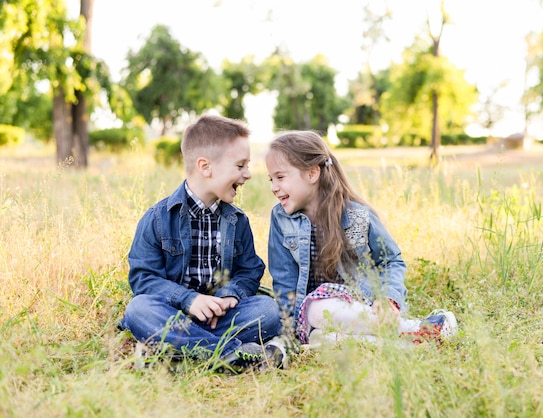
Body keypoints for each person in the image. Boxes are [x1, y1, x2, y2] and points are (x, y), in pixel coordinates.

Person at [119, 114, 284, 372]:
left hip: (221, 318)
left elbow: (250, 270)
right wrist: (189, 300)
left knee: (269, 310)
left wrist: (230, 295)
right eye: (240, 166)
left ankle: (179, 354)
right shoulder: (158, 218)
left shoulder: (236, 221)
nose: (248, 174)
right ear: (205, 167)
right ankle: (233, 355)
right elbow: (143, 279)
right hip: (174, 315)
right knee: (138, 310)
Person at [265, 130, 458, 347]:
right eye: (271, 179)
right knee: (320, 339)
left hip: (358, 305)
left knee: (319, 309)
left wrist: (388, 299)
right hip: (312, 320)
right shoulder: (280, 219)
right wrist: (288, 332)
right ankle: (413, 344)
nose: (274, 187)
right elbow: (284, 281)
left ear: (312, 173)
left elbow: (390, 260)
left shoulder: (356, 215)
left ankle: (420, 328)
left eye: (280, 177)